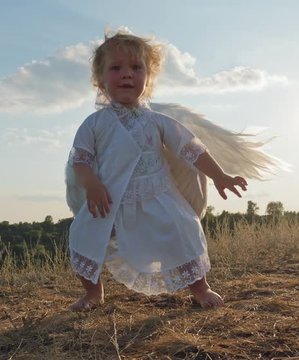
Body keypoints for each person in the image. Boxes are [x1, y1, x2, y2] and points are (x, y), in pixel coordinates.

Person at [66, 31, 249, 311]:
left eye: (136, 68)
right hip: (110, 199)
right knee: (82, 236)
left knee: (183, 231)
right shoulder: (93, 124)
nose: (127, 75)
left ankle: (200, 288)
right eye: (116, 68)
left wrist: (219, 176)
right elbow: (80, 160)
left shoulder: (157, 121)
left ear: (147, 78)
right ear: (100, 80)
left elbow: (192, 149)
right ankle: (93, 293)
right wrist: (91, 184)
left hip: (157, 194)